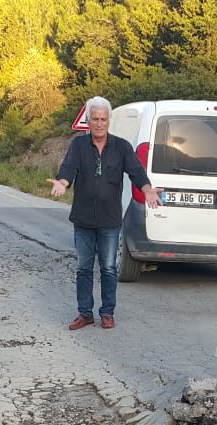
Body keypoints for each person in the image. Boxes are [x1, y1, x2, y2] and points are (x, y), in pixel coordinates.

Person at [48, 96, 162, 330]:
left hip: (110, 220)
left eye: (103, 119)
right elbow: (68, 169)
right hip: (83, 219)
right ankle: (85, 313)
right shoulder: (79, 146)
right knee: (83, 268)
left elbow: (136, 172)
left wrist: (148, 190)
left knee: (109, 268)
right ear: (88, 121)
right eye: (95, 119)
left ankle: (107, 312)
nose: (99, 123)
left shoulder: (121, 147)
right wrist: (62, 182)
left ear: (109, 121)